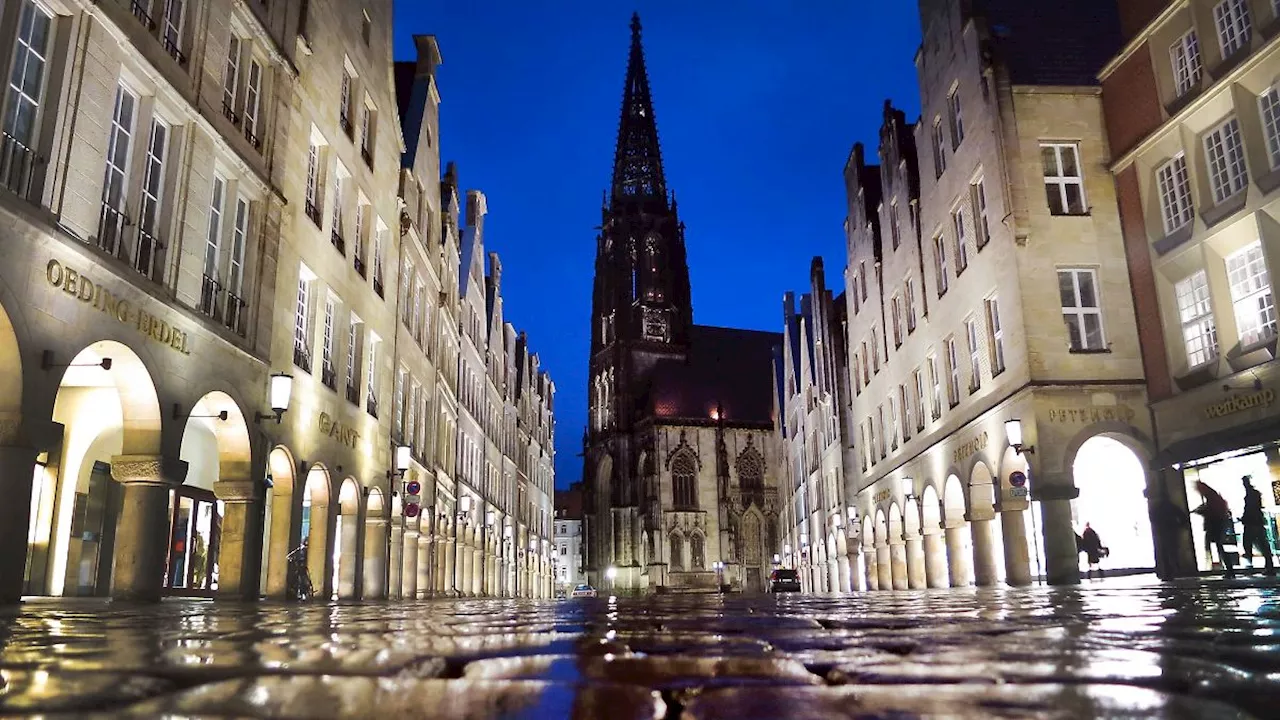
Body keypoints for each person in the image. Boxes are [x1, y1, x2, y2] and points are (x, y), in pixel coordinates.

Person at [1192, 480, 1235, 578]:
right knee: (1219, 546)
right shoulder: (1212, 496)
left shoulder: (1211, 497)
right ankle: (1228, 569)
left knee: (1219, 546)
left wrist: (1200, 511)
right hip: (1218, 524)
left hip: (1216, 525)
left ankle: (1228, 569)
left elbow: (1211, 511)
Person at [1241, 475, 1275, 576]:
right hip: (1256, 521)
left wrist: (1245, 518)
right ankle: (1269, 567)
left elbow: (1250, 508)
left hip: (1252, 522)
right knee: (1261, 544)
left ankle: (1251, 566)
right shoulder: (1254, 494)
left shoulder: (1250, 495)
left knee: (1249, 543)